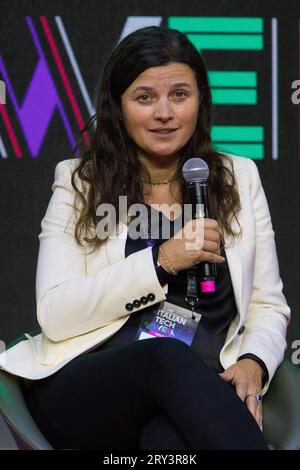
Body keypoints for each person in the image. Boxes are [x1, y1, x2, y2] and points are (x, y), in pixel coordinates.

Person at [0, 26, 291, 450]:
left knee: (167, 444)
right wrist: (163, 260)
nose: (164, 113)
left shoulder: (239, 177)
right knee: (165, 358)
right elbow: (56, 313)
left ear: (201, 102)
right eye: (144, 97)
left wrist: (254, 361)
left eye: (179, 95)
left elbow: (268, 304)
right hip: (91, 388)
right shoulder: (79, 182)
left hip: (195, 390)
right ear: (118, 106)